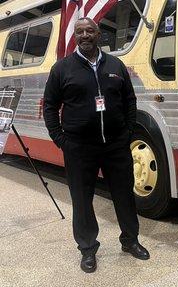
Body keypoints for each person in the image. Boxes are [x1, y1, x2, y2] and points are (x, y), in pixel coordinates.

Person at [43, 17, 149, 273]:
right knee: (82, 201)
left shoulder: (115, 64)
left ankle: (130, 241)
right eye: (80, 32)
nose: (85, 35)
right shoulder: (62, 68)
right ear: (75, 37)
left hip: (115, 145)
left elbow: (129, 100)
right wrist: (61, 140)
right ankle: (88, 249)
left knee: (124, 195)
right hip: (79, 148)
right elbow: (49, 106)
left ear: (98, 34)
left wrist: (127, 132)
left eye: (90, 30)